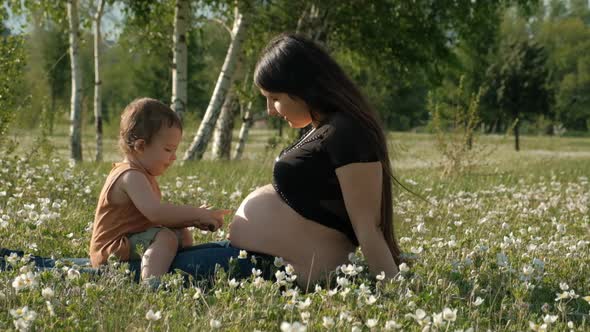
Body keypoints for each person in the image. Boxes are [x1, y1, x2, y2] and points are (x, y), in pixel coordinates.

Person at [1, 33, 402, 289]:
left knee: (120, 273)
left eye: (275, 97)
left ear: (304, 86)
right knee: (139, 261)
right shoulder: (324, 129)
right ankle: (22, 263)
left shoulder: (349, 133)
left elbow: (369, 226)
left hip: (274, 269)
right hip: (256, 259)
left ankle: (18, 267)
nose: (272, 109)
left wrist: (393, 290)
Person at [89, 98, 230, 283]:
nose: (174, 157)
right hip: (112, 249)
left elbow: (151, 218)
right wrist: (195, 213)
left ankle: (180, 267)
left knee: (180, 234)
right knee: (165, 237)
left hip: (131, 238)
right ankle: (153, 283)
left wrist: (193, 219)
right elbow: (156, 213)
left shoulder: (141, 174)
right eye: (168, 149)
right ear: (140, 146)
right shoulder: (130, 176)